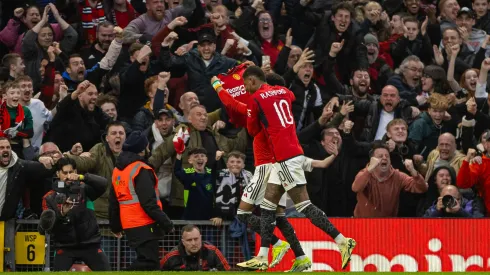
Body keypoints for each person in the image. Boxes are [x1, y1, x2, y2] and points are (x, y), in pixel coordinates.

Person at [237, 66, 356, 270]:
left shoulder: (256, 98)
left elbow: (252, 129)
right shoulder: (284, 92)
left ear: (253, 80)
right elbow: (291, 96)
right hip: (286, 156)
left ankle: (342, 240)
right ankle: (271, 257)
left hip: (285, 157)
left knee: (304, 206)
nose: (246, 88)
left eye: (246, 83)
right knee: (268, 207)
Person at [109, 130, 174, 270]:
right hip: (144, 224)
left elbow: (114, 203)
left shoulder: (117, 170)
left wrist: (115, 226)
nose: (149, 148)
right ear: (142, 149)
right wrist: (166, 223)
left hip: (129, 225)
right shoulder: (141, 169)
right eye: (147, 146)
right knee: (150, 263)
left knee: (146, 262)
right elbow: (149, 203)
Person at [39, 157, 110, 271]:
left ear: (75, 172)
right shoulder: (49, 197)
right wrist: (62, 213)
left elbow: (103, 184)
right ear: (58, 173)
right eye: (65, 172)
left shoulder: (84, 189)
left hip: (90, 244)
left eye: (71, 172)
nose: (68, 176)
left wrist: (83, 177)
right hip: (65, 246)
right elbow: (46, 227)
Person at [351, 142, 428, 217]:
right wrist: (369, 169)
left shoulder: (397, 176)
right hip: (362, 223)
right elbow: (356, 188)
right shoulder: (364, 173)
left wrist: (413, 171)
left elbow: (422, 188)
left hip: (388, 224)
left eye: (387, 156)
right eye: (380, 156)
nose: (384, 158)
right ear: (372, 160)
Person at [0, 137, 56, 221]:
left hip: (5, 222)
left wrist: (38, 157)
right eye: (1, 148)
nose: (5, 150)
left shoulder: (19, 167)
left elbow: (44, 169)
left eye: (8, 147)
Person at [160, 224, 230, 271]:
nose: (193, 243)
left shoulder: (213, 252)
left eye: (196, 239)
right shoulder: (171, 256)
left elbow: (228, 271)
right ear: (183, 242)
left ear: (200, 238)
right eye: (189, 240)